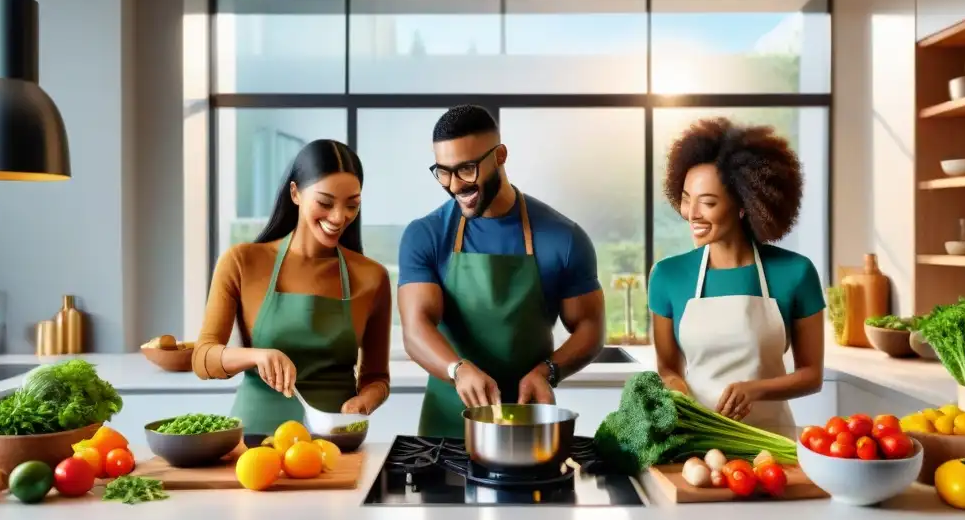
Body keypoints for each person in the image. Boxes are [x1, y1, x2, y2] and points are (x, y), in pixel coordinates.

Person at [398, 105, 606, 437]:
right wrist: (457, 369)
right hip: (447, 430)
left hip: (528, 428)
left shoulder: (563, 237)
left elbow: (590, 327)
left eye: (466, 169)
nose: (454, 186)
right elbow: (415, 328)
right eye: (444, 171)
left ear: (500, 156)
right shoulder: (426, 235)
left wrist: (548, 371)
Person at [193, 139, 391, 447]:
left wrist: (365, 401)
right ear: (295, 193)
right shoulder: (242, 261)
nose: (339, 217)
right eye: (325, 203)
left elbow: (377, 377)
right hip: (254, 443)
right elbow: (202, 358)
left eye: (351, 204)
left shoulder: (372, 276)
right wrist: (256, 356)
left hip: (335, 443)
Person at [648, 117, 825, 435]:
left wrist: (755, 389)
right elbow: (668, 368)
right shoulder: (667, 275)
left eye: (708, 202)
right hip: (697, 442)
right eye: (687, 198)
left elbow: (812, 375)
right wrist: (678, 392)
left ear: (745, 204)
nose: (692, 214)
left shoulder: (796, 273)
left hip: (773, 445)